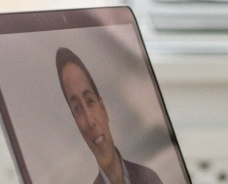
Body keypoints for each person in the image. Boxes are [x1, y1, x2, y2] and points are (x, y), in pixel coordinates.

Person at [55, 47, 166, 184]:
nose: (90, 121)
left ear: (103, 108)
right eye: (77, 109)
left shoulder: (149, 179)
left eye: (90, 101)